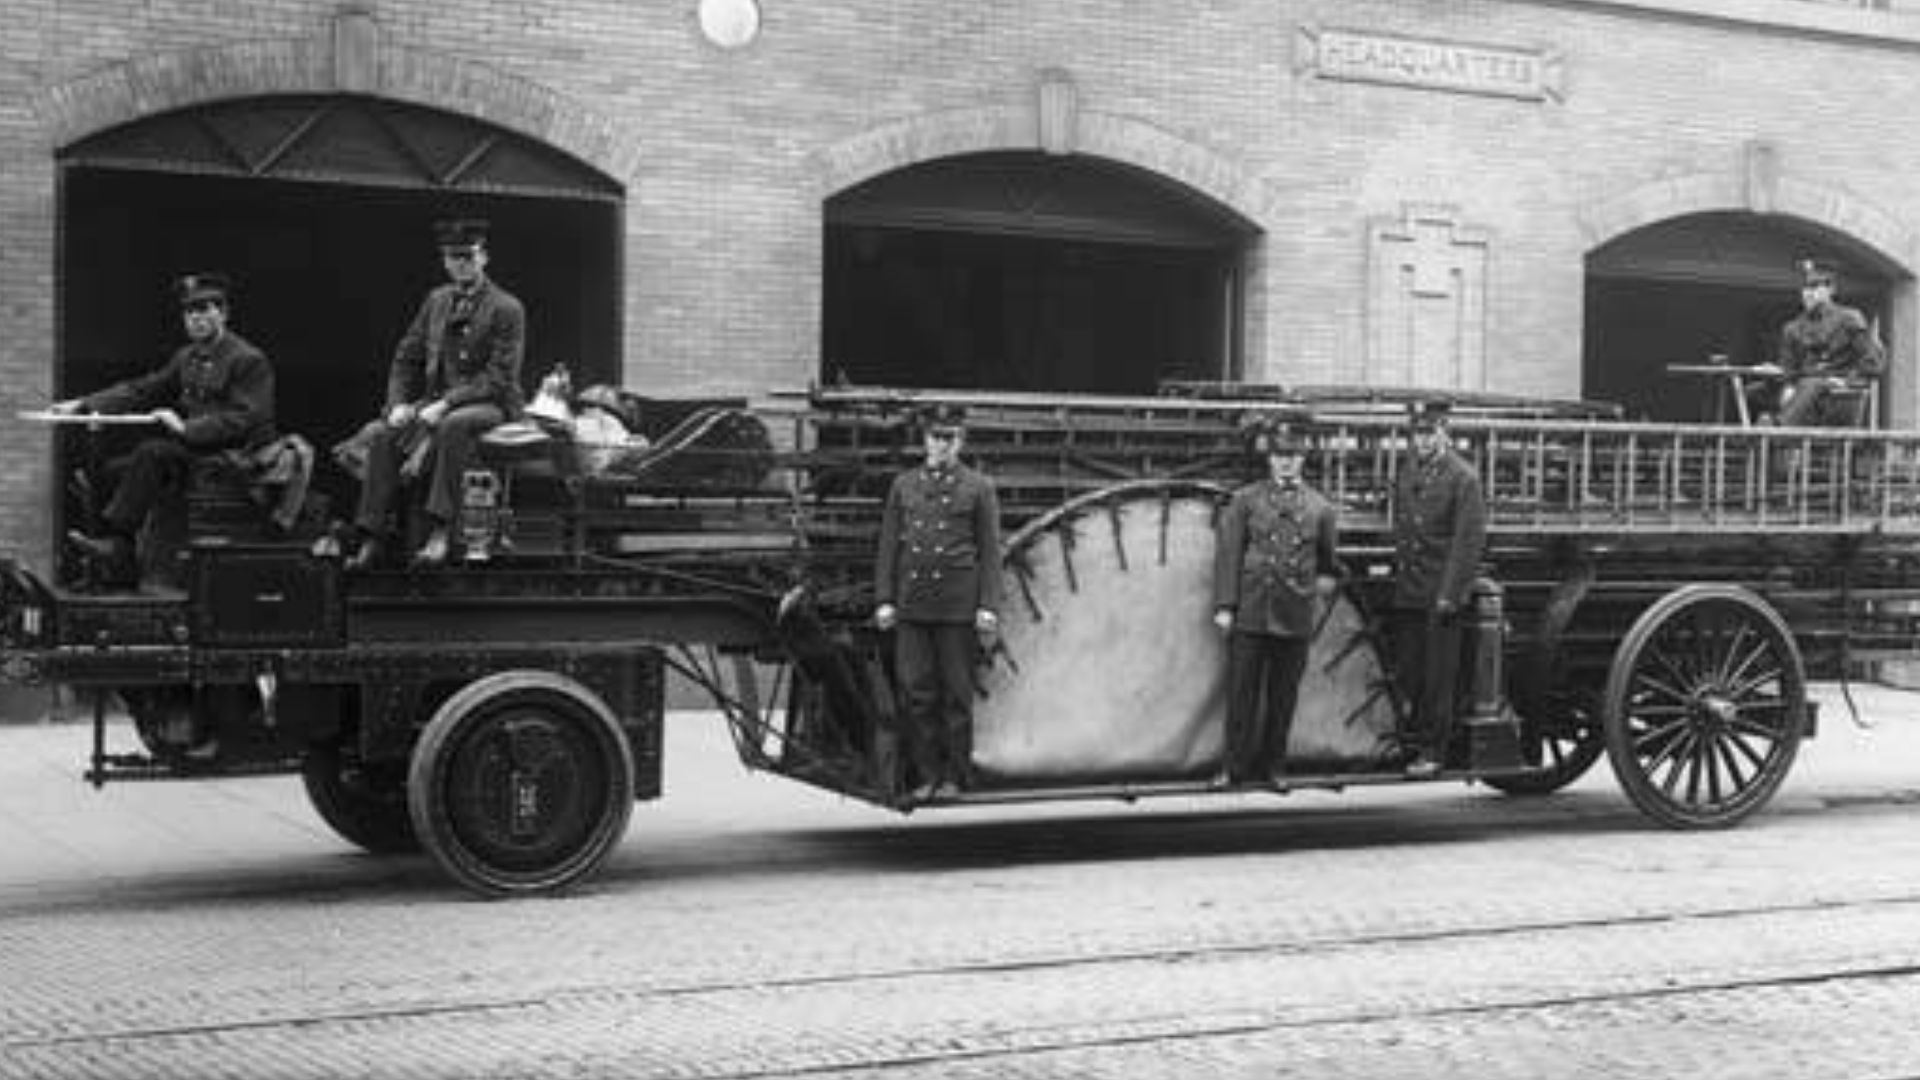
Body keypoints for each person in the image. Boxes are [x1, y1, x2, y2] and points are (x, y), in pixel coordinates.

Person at [56, 272, 276, 583]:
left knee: (152, 452)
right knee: (107, 471)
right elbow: (143, 389)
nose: (196, 318)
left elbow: (245, 419)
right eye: (189, 312)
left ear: (223, 314)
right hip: (197, 453)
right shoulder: (186, 357)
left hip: (234, 459)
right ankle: (119, 560)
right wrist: (84, 404)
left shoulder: (247, 359)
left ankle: (117, 546)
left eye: (204, 310)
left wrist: (186, 428)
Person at [343, 217, 526, 569]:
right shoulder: (437, 300)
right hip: (436, 401)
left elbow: (500, 376)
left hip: (490, 404)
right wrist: (397, 404)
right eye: (453, 257)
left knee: (453, 426)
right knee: (384, 433)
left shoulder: (507, 308)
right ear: (444, 260)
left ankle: (442, 529)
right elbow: (406, 356)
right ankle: (372, 535)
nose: (461, 264)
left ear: (484, 257)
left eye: (468, 256)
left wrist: (445, 403)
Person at [873, 403, 1003, 800]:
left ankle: (955, 777)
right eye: (935, 437)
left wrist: (988, 606)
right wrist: (885, 598)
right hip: (913, 605)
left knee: (956, 697)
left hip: (956, 606)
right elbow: (889, 547)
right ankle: (927, 775)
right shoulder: (904, 485)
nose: (941, 445)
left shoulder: (978, 487)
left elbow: (989, 552)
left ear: (960, 442)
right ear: (925, 440)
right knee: (917, 693)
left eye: (949, 438)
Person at [1211, 417, 1340, 786]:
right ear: (1270, 460)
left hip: (1294, 614)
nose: (1286, 462)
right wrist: (1225, 606)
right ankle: (1233, 767)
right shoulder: (1246, 500)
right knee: (1241, 695)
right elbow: (1228, 556)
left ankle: (1274, 768)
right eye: (1280, 456)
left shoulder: (1320, 509)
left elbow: (1329, 564)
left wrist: (1316, 592)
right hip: (1252, 612)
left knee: (1283, 698)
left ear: (1303, 460)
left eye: (1293, 456)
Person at [1388, 399, 1487, 778]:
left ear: (1445, 431)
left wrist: (1450, 594)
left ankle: (1433, 751)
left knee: (1437, 678)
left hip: (1440, 594)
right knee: (1410, 671)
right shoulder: (1410, 471)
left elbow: (1467, 543)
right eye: (1417, 434)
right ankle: (1411, 743)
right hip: (1411, 589)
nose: (1423, 440)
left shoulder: (1464, 478)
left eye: (1429, 432)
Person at [1775, 258, 1884, 428]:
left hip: (1838, 396)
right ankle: (1756, 436)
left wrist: (1847, 381)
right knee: (1755, 390)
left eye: (1815, 287)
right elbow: (1789, 369)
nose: (1808, 293)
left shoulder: (1849, 319)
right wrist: (1787, 386)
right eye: (1805, 288)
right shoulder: (1792, 328)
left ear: (1831, 289)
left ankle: (1776, 432)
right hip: (1803, 395)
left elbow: (1872, 361)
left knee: (1811, 384)